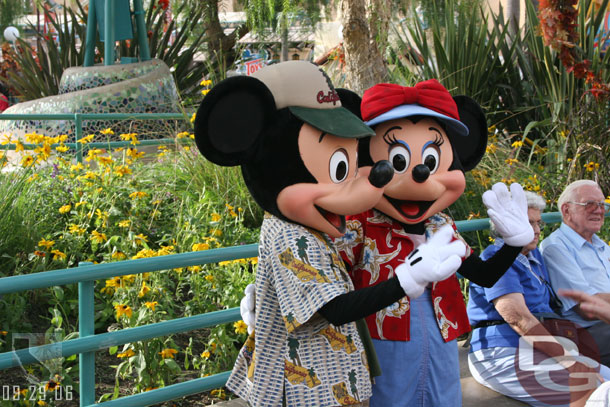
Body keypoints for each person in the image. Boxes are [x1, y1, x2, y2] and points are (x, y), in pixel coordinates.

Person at [468, 191, 610, 406]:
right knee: (595, 392)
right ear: (506, 225)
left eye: (538, 224)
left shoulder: (534, 257)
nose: (535, 231)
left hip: (539, 348)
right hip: (502, 351)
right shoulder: (495, 258)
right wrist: (569, 360)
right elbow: (518, 319)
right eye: (528, 223)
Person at [540, 180, 610, 367]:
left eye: (602, 204)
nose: (599, 210)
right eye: (589, 204)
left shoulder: (601, 246)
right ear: (566, 211)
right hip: (589, 333)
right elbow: (587, 308)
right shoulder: (556, 247)